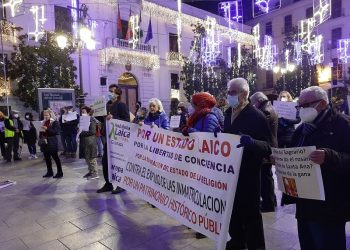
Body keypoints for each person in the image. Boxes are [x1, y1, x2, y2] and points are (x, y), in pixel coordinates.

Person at [289, 86, 350, 250]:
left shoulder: (342, 124)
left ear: (322, 104)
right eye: (299, 106)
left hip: (330, 204)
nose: (302, 110)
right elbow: (293, 151)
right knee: (308, 243)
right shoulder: (302, 128)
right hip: (305, 201)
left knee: (328, 243)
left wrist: (329, 156)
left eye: (306, 105)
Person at [224, 78, 272, 250]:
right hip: (230, 172)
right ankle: (238, 241)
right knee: (233, 210)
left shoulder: (256, 116)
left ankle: (256, 246)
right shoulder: (228, 113)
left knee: (251, 214)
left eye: (232, 92)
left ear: (244, 94)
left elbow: (268, 147)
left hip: (248, 173)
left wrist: (253, 143)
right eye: (228, 92)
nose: (229, 95)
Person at [181, 92, 220, 239]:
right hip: (196, 161)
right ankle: (195, 220)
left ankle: (205, 227)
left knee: (204, 195)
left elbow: (208, 140)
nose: (191, 106)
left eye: (193, 103)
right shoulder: (197, 116)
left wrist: (190, 131)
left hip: (206, 163)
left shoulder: (210, 117)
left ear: (200, 104)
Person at [97, 84, 130, 194]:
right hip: (108, 138)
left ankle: (122, 184)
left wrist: (114, 118)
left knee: (118, 162)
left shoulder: (121, 105)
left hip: (118, 140)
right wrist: (95, 112)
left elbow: (126, 120)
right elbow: (102, 119)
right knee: (105, 161)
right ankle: (108, 183)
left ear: (118, 94)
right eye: (109, 91)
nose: (109, 93)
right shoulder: (106, 105)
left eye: (112, 91)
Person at [250, 92, 278, 212]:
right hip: (268, 147)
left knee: (266, 178)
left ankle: (268, 204)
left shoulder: (265, 111)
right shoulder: (268, 108)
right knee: (267, 177)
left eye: (253, 103)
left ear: (259, 100)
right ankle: (271, 201)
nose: (252, 105)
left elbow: (257, 126)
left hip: (267, 149)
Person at [40, 110, 63, 178]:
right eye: (44, 115)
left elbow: (54, 132)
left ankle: (60, 172)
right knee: (47, 158)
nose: (45, 116)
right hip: (45, 142)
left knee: (55, 158)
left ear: (50, 115)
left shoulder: (55, 122)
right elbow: (41, 132)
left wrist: (47, 128)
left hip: (52, 142)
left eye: (47, 115)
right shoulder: (43, 122)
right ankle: (49, 172)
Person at [79, 106, 99, 180]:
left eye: (84, 112)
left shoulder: (91, 119)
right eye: (82, 112)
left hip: (90, 141)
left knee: (91, 158)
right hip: (85, 141)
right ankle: (90, 171)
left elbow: (92, 131)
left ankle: (95, 173)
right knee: (87, 157)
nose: (82, 113)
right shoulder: (82, 120)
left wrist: (81, 133)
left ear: (88, 112)